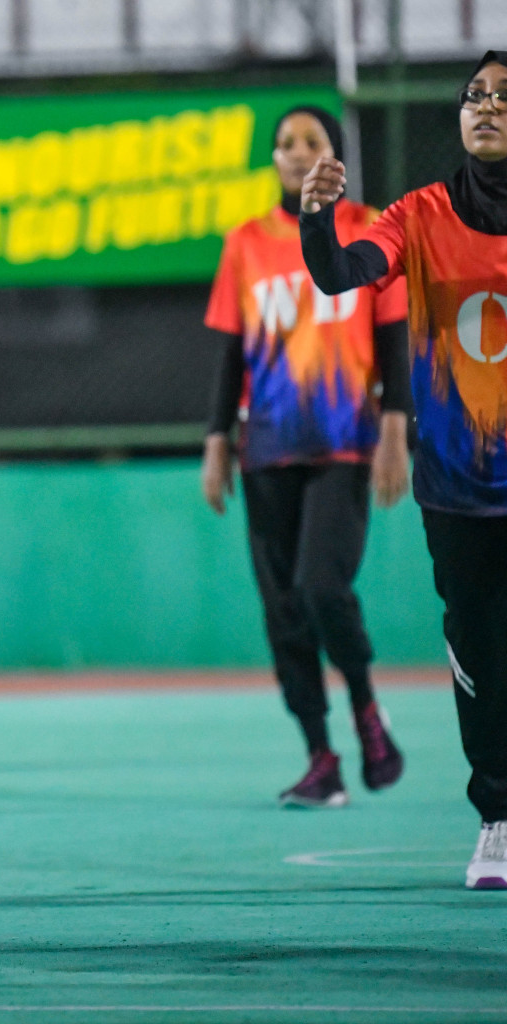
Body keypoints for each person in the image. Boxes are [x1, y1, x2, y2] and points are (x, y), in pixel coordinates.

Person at [300, 50, 507, 888]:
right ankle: (498, 819)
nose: (486, 106)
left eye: (503, 96)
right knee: (481, 655)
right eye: (474, 96)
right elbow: (342, 273)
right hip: (458, 489)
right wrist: (319, 221)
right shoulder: (417, 215)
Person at [202, 105, 408, 808]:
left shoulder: (369, 232)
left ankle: (365, 706)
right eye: (285, 143)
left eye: (311, 141)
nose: (296, 153)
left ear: (337, 155)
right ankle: (321, 758)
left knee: (324, 590)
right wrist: (215, 444)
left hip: (346, 441)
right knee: (283, 611)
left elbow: (395, 341)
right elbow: (233, 352)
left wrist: (395, 431)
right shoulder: (246, 243)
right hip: (266, 450)